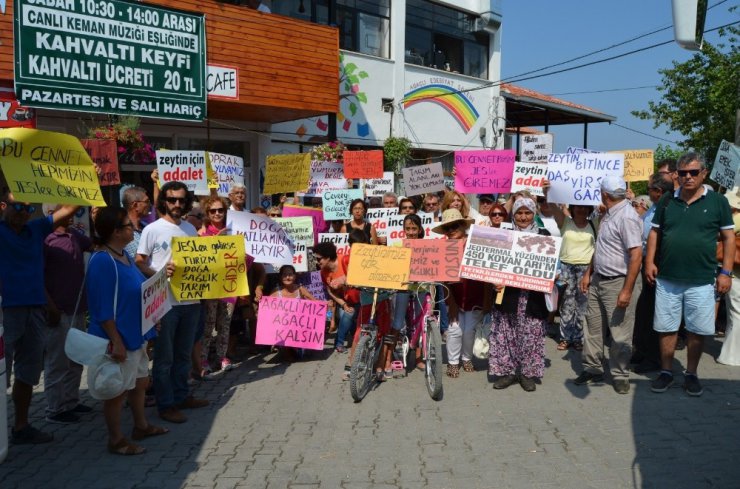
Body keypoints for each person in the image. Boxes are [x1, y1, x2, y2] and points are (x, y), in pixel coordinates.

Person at [646, 153, 735, 396]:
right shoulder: (666, 200)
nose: (688, 177)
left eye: (693, 172)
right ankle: (666, 372)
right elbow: (654, 233)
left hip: (702, 280)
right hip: (667, 278)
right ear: (677, 174)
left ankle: (692, 373)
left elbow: (728, 239)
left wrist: (725, 272)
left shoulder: (718, 202)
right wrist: (649, 262)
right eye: (683, 172)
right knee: (666, 327)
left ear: (703, 173)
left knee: (697, 329)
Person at [87, 207, 168, 455]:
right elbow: (102, 309)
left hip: (137, 332)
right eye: (127, 226)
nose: (133, 229)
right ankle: (116, 440)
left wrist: (151, 316)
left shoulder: (124, 256)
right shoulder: (102, 261)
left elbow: (138, 289)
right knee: (116, 390)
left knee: (140, 381)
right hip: (119, 337)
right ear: (115, 231)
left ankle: (141, 426)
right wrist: (116, 341)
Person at [0, 192, 79, 444]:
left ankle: (21, 427)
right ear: (3, 206)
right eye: (18, 206)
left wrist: (87, 177)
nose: (24, 211)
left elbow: (68, 208)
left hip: (35, 310)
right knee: (2, 374)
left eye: (28, 206)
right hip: (5, 312)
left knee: (28, 373)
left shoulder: (35, 229)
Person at [136, 181, 208, 424]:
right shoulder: (152, 229)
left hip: (191, 301)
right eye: (171, 199)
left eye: (181, 200)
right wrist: (159, 273)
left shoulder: (190, 228)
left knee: (184, 354)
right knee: (165, 357)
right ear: (163, 201)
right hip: (165, 303)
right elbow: (139, 261)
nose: (176, 204)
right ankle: (166, 405)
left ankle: (181, 396)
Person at [575, 176, 642, 395]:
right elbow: (602, 248)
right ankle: (593, 368)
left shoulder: (627, 217)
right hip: (598, 280)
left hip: (618, 282)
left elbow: (635, 255)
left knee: (620, 332)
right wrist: (588, 273)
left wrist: (627, 289)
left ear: (604, 194)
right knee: (592, 327)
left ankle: (620, 374)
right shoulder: (608, 214)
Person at [487, 198, 550, 392]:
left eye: (527, 213)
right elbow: (492, 262)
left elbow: (553, 265)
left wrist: (552, 274)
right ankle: (508, 372)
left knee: (531, 334)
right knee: (507, 332)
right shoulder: (504, 234)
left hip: (533, 296)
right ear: (513, 214)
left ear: (534, 214)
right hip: (508, 294)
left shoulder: (544, 235)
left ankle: (527, 374)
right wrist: (494, 280)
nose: (523, 217)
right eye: (519, 213)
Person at [43, 205, 94, 424]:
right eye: (66, 210)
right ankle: (55, 408)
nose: (72, 214)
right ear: (52, 213)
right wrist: (50, 307)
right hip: (58, 309)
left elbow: (95, 244)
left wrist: (95, 218)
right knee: (57, 361)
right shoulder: (45, 239)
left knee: (76, 357)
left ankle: (71, 401)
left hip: (78, 307)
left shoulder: (75, 235)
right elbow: (38, 276)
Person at [541, 186, 598, 352]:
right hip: (566, 267)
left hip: (586, 269)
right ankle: (565, 337)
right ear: (572, 208)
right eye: (577, 206)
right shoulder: (565, 222)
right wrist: (547, 192)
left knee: (583, 304)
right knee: (566, 303)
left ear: (589, 209)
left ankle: (579, 338)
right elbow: (552, 206)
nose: (580, 209)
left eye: (584, 207)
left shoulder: (595, 223)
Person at [432, 209, 486, 378]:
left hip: (476, 295)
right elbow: (442, 278)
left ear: (463, 226)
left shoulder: (476, 243)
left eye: (455, 226)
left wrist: (488, 301)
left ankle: (467, 358)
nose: (451, 230)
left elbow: (488, 274)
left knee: (469, 330)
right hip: (453, 297)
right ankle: (453, 362)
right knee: (455, 329)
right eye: (447, 228)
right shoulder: (443, 247)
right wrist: (452, 303)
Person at [632, 175, 674, 373]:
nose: (648, 191)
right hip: (646, 262)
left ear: (659, 191)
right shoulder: (654, 209)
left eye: (650, 188)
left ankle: (654, 357)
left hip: (658, 263)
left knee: (654, 312)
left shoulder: (668, 209)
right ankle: (642, 350)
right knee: (643, 311)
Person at [199, 197, 237, 377]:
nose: (217, 213)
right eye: (212, 211)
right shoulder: (202, 234)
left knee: (225, 324)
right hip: (210, 287)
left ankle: (222, 357)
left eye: (220, 210)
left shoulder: (234, 232)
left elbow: (245, 260)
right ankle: (203, 359)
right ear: (207, 213)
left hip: (230, 285)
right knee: (208, 325)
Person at [314, 241, 356, 356]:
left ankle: (341, 342)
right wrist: (343, 304)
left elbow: (357, 277)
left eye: (319, 259)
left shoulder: (344, 261)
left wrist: (343, 282)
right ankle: (340, 343)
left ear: (328, 257)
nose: (317, 262)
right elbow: (330, 292)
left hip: (356, 296)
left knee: (348, 315)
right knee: (347, 314)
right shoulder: (323, 273)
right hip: (343, 299)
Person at [269, 265, 320, 360]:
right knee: (290, 357)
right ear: (280, 277)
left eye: (290, 274)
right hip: (282, 328)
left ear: (295, 276)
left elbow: (314, 301)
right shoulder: (276, 292)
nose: (287, 277)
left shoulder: (300, 289)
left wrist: (325, 304)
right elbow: (267, 309)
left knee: (302, 355)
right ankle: (283, 347)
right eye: (284, 275)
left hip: (299, 328)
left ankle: (296, 347)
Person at [718, 185, 740, 366]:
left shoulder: (736, 219)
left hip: (736, 274)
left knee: (736, 314)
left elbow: (722, 234)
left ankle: (731, 355)